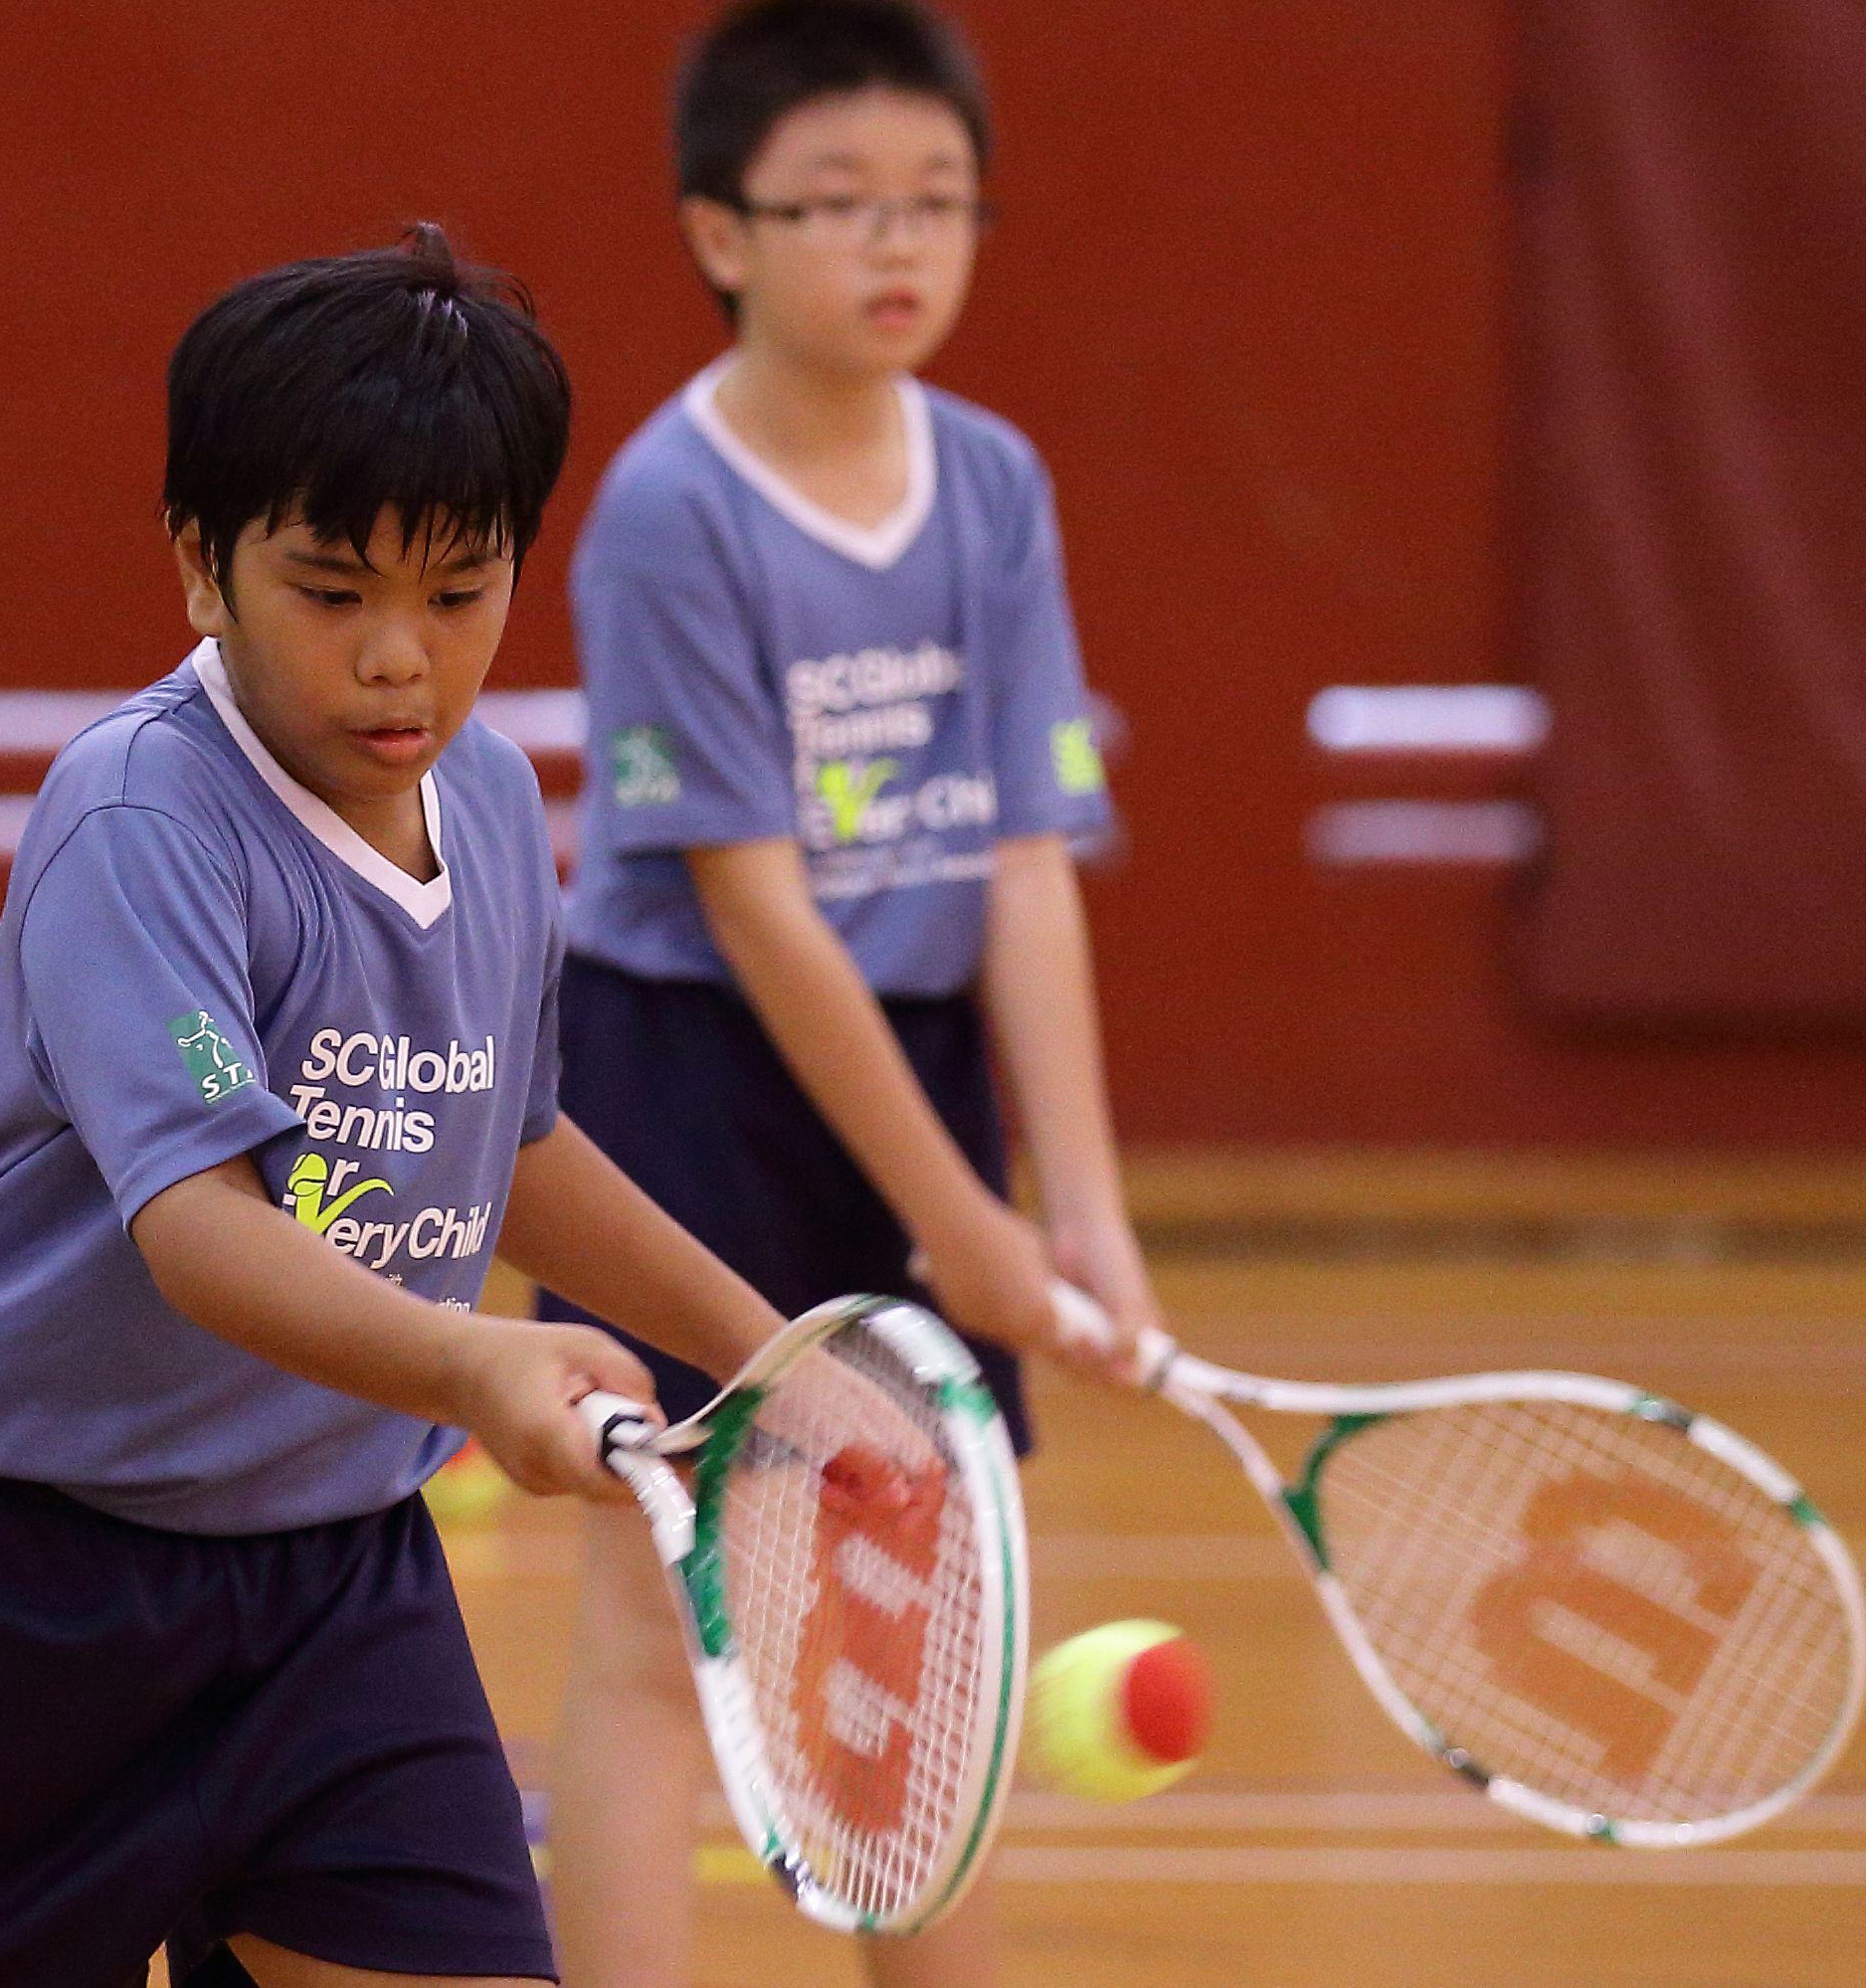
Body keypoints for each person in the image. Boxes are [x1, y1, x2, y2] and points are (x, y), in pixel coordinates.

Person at [0, 225, 797, 1988]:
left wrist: (770, 1360)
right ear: (202, 566)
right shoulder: (142, 819)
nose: (399, 662)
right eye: (333, 589)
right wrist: (474, 1366)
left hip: (333, 1585)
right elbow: (203, 1228)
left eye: (460, 591)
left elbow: (504, 1143)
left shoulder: (497, 801)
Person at [535, 6, 1159, 1984]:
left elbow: (1024, 861)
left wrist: (1080, 1210)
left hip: (919, 1068)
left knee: (921, 1616)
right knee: (662, 1627)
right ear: (719, 231)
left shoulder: (990, 486)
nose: (898, 245)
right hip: (684, 1079)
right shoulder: (670, 510)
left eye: (939, 203)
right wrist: (962, 1223)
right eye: (839, 205)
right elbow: (757, 908)